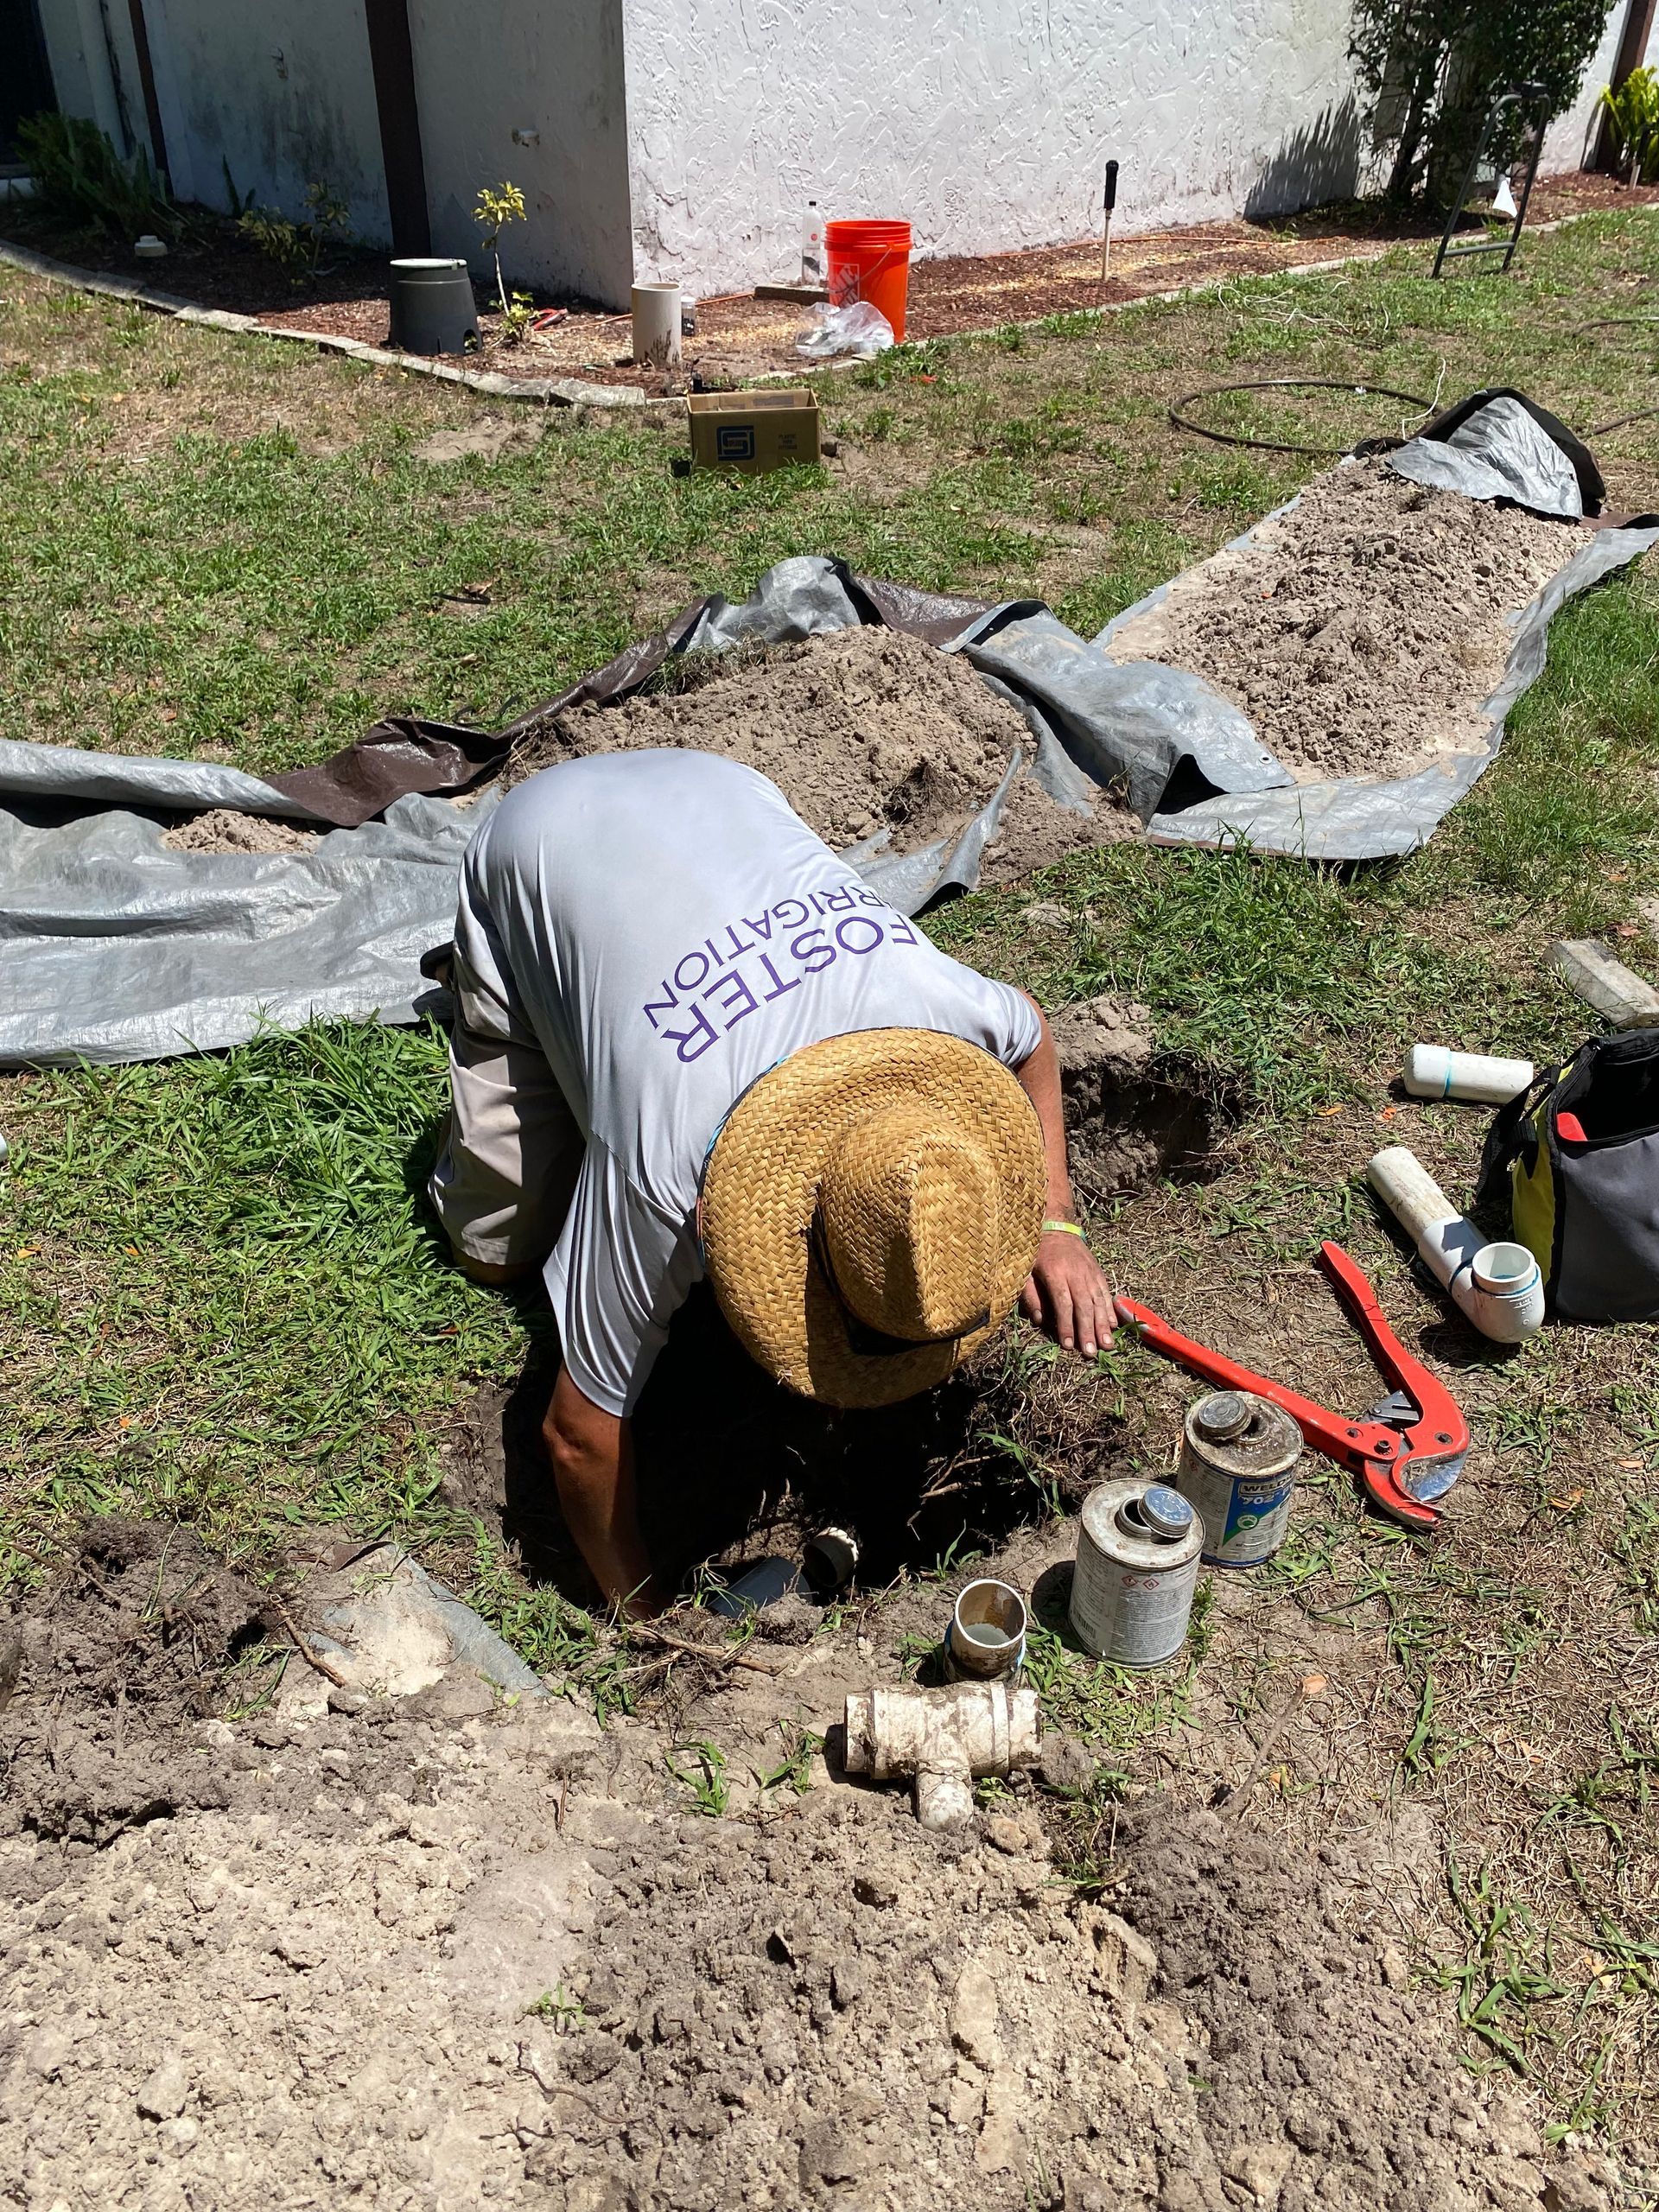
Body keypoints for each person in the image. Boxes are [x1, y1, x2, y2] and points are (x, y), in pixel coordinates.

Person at [429, 748, 1116, 1616]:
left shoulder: (937, 1007)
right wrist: (644, 1616)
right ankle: (495, 985)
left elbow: (1029, 1032)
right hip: (538, 841)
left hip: (724, 787)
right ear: (735, 1218)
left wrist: (1055, 1223)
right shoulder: (664, 1173)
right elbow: (576, 1437)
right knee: (499, 1247)